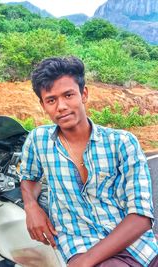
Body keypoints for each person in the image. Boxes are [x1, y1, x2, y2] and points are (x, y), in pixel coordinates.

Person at [20, 56, 158, 267]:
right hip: (79, 242)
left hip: (136, 244)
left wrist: (84, 263)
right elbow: (29, 177)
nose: (61, 106)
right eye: (51, 100)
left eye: (68, 95)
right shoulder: (38, 140)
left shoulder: (121, 142)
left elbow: (141, 215)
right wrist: (31, 206)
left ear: (84, 94)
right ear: (43, 105)